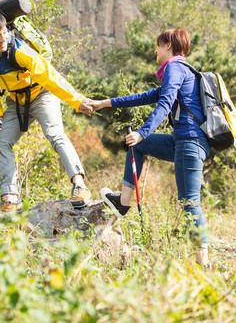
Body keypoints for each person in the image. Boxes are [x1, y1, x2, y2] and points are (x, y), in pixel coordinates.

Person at [89, 28, 211, 267]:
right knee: (138, 147)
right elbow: (145, 97)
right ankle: (123, 201)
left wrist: (142, 132)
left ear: (168, 45)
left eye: (158, 45)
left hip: (190, 142)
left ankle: (203, 261)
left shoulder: (175, 68)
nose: (155, 50)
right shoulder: (178, 72)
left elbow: (165, 103)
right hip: (183, 142)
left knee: (189, 201)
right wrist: (103, 103)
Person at [0, 9, 93, 213]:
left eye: (3, 32)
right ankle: (10, 198)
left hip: (42, 94)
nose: (2, 39)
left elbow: (49, 76)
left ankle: (80, 185)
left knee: (55, 135)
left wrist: (76, 100)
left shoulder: (19, 50)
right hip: (16, 101)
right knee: (0, 140)